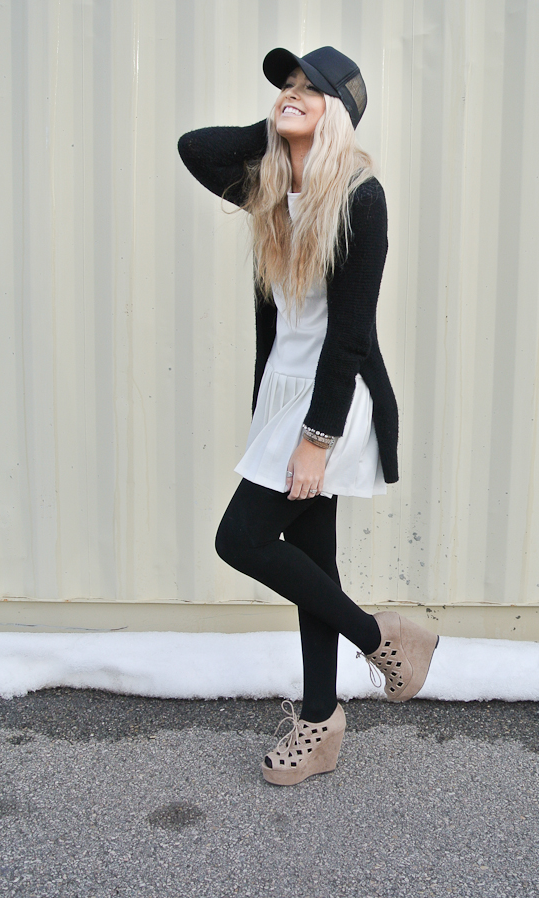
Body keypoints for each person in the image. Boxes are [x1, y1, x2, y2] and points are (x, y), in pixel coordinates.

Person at [178, 46, 438, 786]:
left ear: (341, 115)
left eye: (309, 90)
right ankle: (321, 723)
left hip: (332, 401)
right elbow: (195, 148)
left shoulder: (360, 197)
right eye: (286, 85)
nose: (290, 94)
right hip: (283, 393)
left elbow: (350, 334)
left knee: (242, 538)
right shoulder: (272, 188)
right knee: (313, 562)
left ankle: (381, 637)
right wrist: (282, 129)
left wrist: (316, 441)